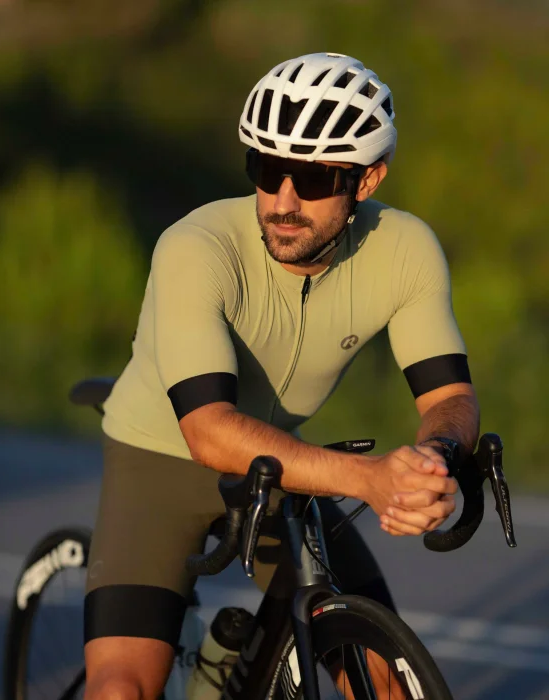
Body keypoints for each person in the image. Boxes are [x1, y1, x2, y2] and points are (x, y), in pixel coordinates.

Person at [83, 52, 479, 699]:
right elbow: (209, 432)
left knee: (385, 681)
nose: (284, 202)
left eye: (314, 179)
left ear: (368, 179)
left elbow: (450, 396)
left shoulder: (405, 250)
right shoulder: (196, 247)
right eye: (268, 171)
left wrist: (434, 459)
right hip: (159, 454)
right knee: (121, 691)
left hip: (278, 464)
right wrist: (370, 478)